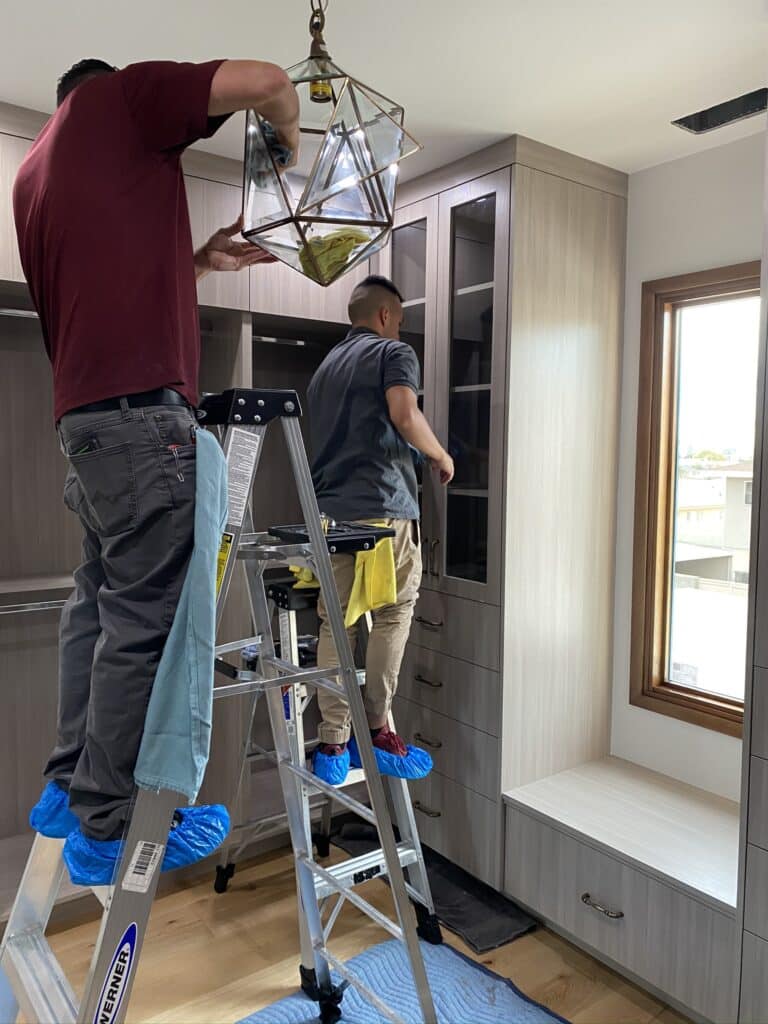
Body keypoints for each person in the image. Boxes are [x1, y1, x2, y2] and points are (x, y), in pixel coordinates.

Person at [13, 56, 299, 883]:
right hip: (143, 423)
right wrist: (285, 147)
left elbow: (105, 281)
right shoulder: (122, 97)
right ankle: (107, 824)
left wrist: (199, 261)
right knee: (144, 620)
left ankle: (70, 788)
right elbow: (271, 79)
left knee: (96, 608)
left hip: (88, 425)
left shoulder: (35, 172)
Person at [307, 275, 455, 785]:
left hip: (330, 516)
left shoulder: (325, 369)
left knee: (336, 623)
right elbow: (404, 412)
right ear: (388, 316)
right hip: (384, 510)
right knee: (395, 611)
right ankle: (378, 727)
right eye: (401, 321)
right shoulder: (394, 354)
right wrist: (439, 454)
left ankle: (331, 741)